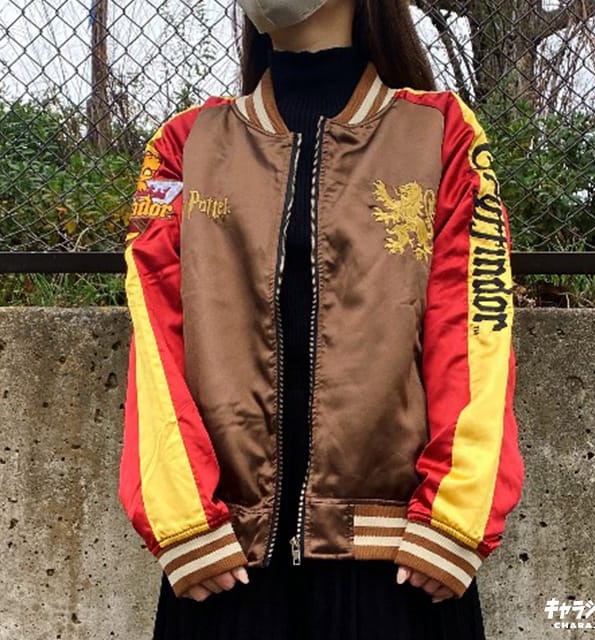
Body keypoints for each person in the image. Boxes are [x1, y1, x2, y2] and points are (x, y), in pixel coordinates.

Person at [119, 0, 525, 638]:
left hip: (398, 560)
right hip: (223, 561)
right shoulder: (184, 145)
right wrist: (184, 518)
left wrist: (454, 517)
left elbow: (475, 328)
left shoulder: (440, 135)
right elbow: (154, 333)